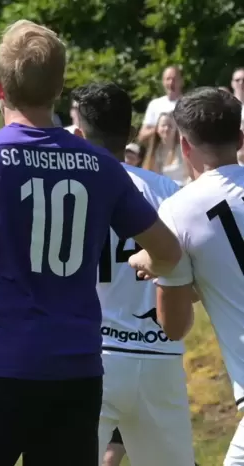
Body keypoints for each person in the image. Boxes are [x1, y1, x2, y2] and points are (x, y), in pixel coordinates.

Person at [0, 20, 182, 466]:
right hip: (78, 376)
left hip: (2, 365)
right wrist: (146, 259)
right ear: (60, 88)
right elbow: (168, 252)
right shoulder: (101, 166)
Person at [72, 82, 194, 466]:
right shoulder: (169, 190)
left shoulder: (69, 189)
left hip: (88, 357)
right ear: (129, 134)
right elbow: (189, 278)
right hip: (158, 357)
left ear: (77, 133)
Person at [129, 87, 244, 465]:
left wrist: (155, 264)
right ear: (240, 139)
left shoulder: (178, 211)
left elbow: (174, 325)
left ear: (184, 146)